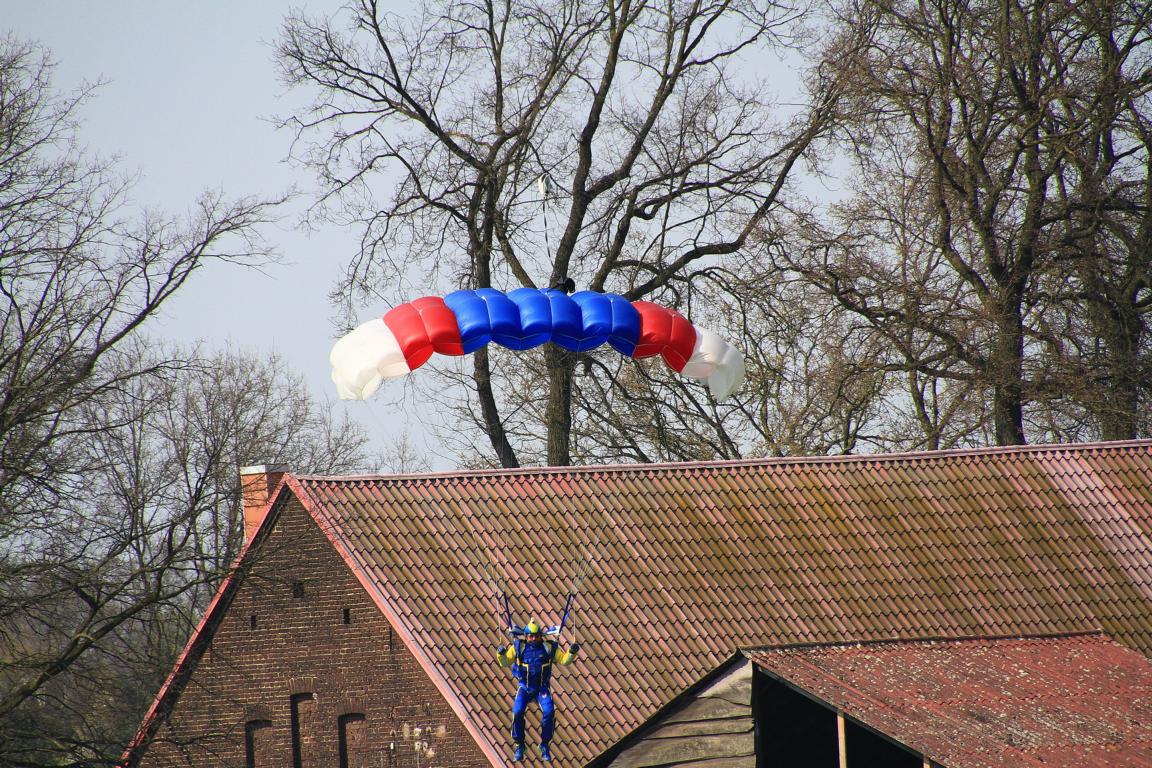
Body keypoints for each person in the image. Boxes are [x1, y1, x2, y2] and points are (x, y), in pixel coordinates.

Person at [496, 619, 580, 762]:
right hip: (525, 687)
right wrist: (501, 654)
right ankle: (519, 744)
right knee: (517, 711)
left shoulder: (548, 647)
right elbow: (505, 663)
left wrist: (571, 652)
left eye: (536, 636)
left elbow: (564, 660)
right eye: (531, 636)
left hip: (542, 688)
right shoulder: (519, 647)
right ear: (526, 636)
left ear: (540, 635)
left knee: (549, 712)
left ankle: (544, 744)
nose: (534, 639)